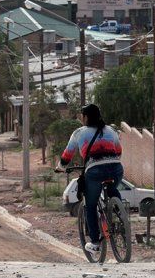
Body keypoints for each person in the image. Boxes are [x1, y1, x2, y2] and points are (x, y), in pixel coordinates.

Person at [56, 104, 123, 254]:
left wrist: (60, 167)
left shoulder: (79, 133)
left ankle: (94, 243)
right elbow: (118, 151)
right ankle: (119, 212)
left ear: (85, 117)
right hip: (116, 168)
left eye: (82, 116)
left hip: (95, 170)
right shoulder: (111, 130)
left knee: (90, 206)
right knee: (112, 188)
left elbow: (67, 156)